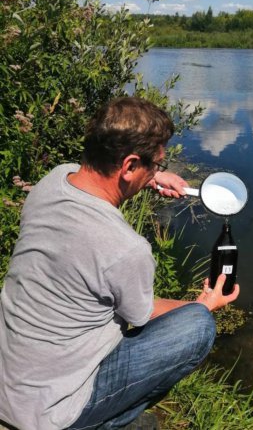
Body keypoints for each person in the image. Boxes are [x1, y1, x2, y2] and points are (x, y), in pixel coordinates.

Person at [0, 97, 239, 429]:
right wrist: (204, 303)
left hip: (10, 384)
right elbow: (142, 315)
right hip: (50, 412)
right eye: (155, 163)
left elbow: (91, 173)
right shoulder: (125, 248)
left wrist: (153, 177)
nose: (157, 170)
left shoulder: (53, 182)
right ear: (128, 166)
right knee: (197, 327)